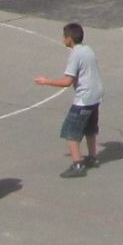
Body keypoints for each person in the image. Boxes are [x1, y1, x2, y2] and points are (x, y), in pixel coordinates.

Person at [32, 23, 102, 177]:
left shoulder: (75, 54)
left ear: (69, 39)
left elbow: (67, 81)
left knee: (70, 132)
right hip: (95, 96)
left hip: (83, 98)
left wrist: (46, 81)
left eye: (64, 37)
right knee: (90, 129)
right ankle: (92, 157)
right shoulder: (88, 49)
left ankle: (78, 164)